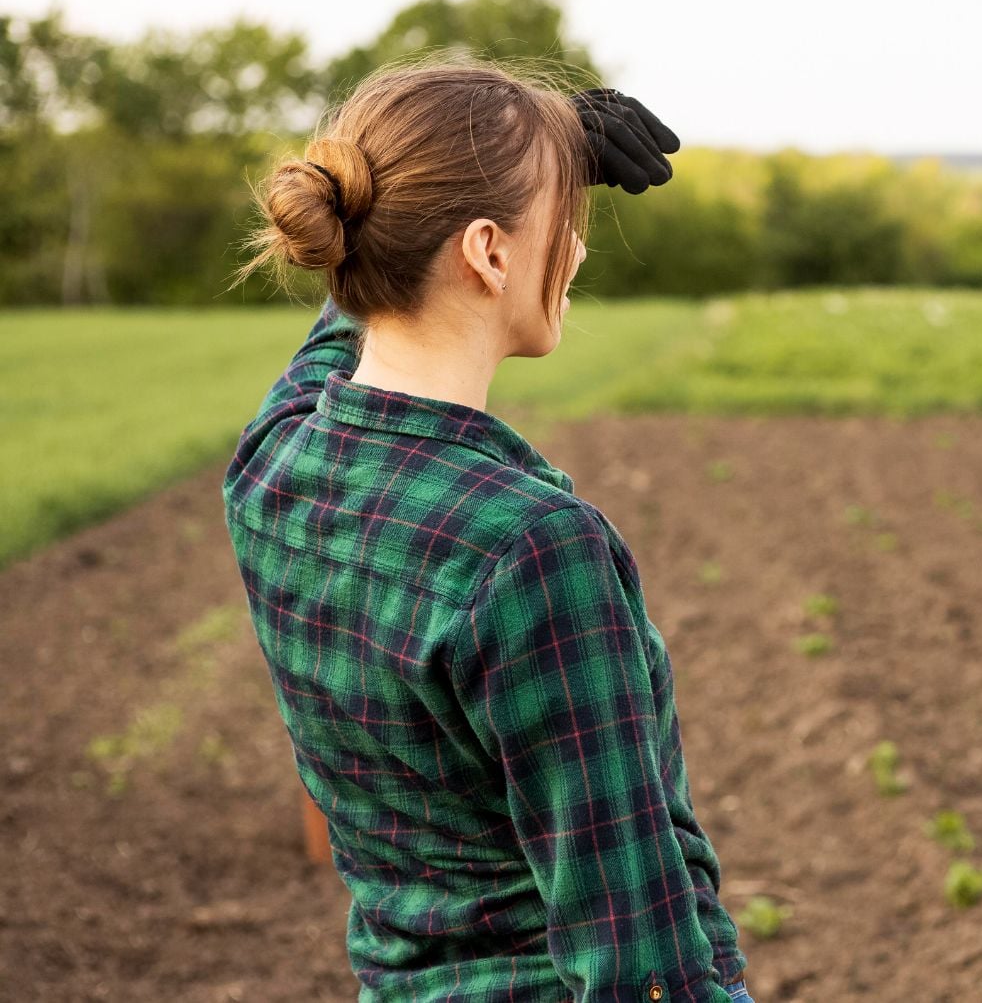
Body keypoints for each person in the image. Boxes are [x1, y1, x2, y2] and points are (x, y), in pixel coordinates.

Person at [220, 55, 754, 1003]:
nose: (579, 253)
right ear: (488, 253)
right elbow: (638, 960)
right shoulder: (532, 549)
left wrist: (532, 147)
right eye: (568, 225)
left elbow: (346, 318)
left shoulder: (272, 466)